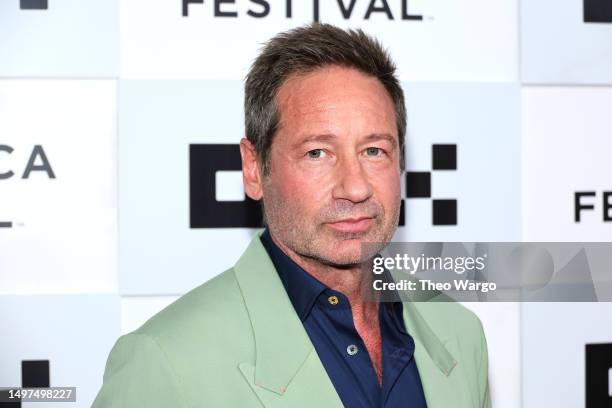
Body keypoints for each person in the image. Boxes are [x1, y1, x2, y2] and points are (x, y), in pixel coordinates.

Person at [93, 23, 491, 408]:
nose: (355, 187)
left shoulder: (458, 332)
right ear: (254, 169)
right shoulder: (166, 361)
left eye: (374, 151)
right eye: (317, 152)